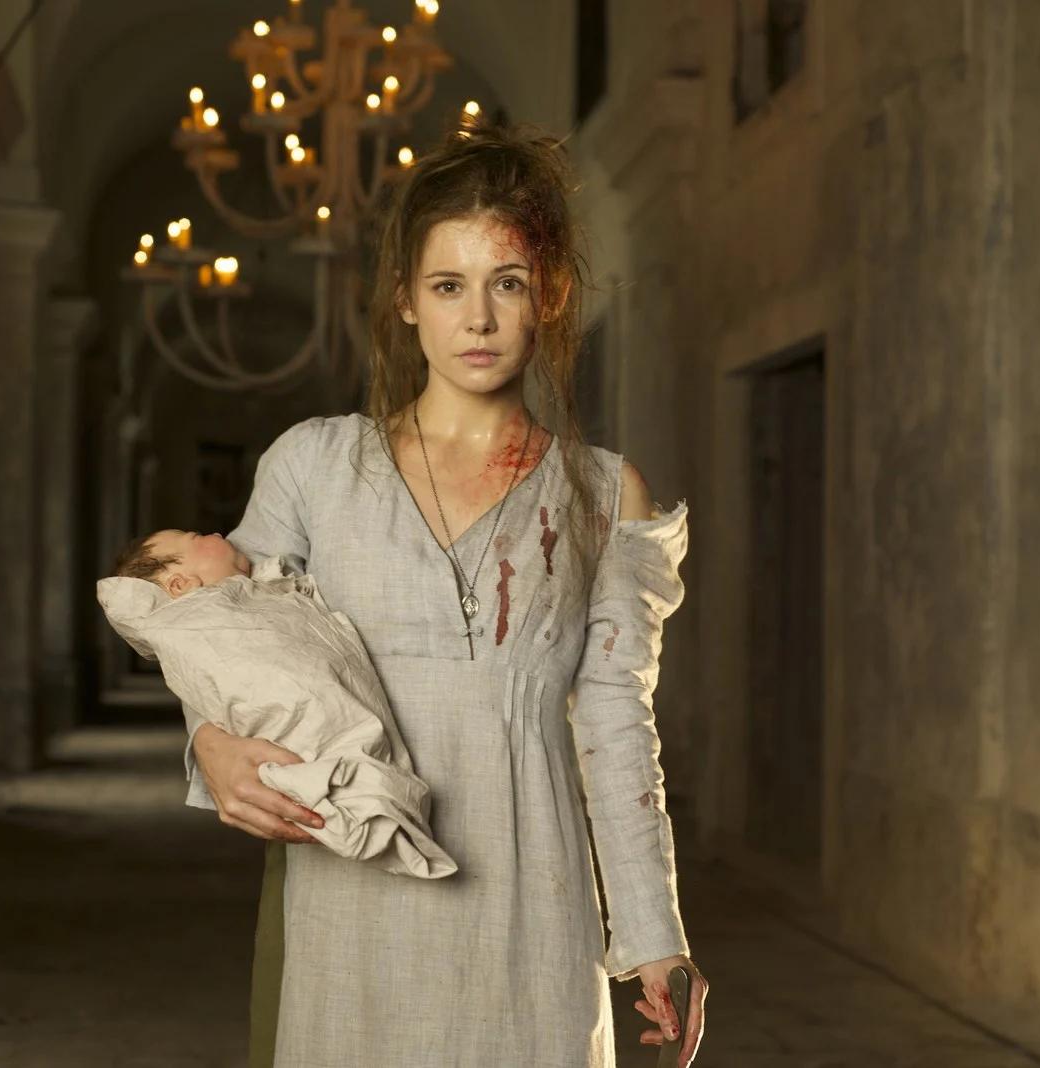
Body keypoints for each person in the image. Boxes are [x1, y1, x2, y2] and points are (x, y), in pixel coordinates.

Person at [185, 122, 709, 1066]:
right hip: (350, 900)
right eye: (448, 286)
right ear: (405, 300)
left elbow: (616, 722)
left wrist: (654, 936)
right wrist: (210, 744)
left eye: (507, 283)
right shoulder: (316, 467)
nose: (479, 319)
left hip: (534, 913)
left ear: (549, 296)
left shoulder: (604, 495)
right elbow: (224, 639)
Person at [96, 529, 457, 878]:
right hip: (299, 713)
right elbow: (230, 680)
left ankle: (370, 795)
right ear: (180, 585)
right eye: (197, 538)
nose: (216, 534)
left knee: (342, 719)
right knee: (321, 722)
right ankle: (362, 798)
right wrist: (211, 739)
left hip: (333, 689)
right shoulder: (196, 626)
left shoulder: (249, 596)